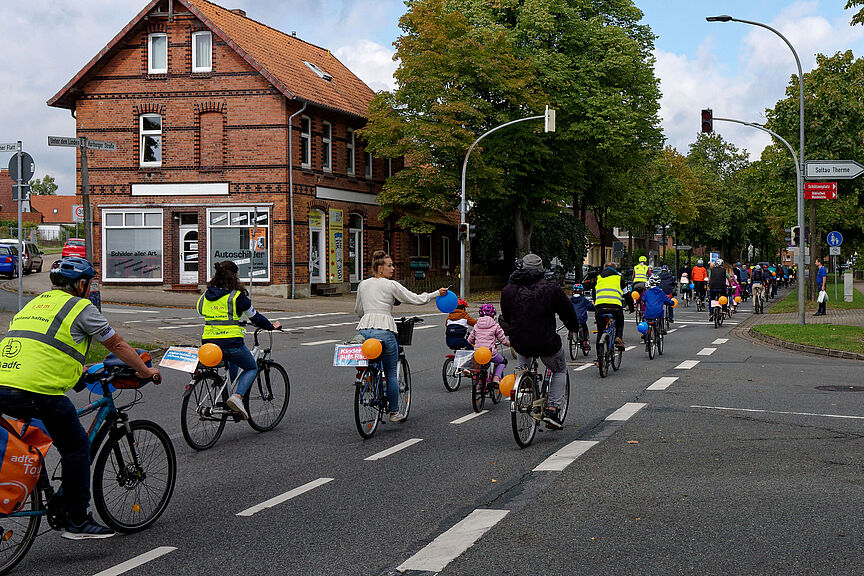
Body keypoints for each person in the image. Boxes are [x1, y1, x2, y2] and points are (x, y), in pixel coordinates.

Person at [0, 257, 159, 539]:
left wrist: (78, 373)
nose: (92, 288)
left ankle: (41, 487)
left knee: (33, 439)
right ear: (82, 284)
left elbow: (44, 350)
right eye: (91, 283)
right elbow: (117, 344)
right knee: (76, 447)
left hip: (4, 383)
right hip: (36, 389)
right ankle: (77, 519)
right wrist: (145, 370)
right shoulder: (80, 307)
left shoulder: (34, 304)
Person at [355, 250, 447, 423]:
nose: (393, 269)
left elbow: (358, 310)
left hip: (365, 330)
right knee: (390, 373)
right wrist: (436, 293)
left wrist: (368, 317)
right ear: (380, 268)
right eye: (390, 265)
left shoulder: (363, 285)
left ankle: (369, 378)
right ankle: (394, 412)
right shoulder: (391, 285)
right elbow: (416, 299)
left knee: (370, 361)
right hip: (385, 330)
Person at [500, 254, 582, 430]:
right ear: (540, 270)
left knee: (524, 365)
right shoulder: (551, 288)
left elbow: (507, 316)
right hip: (546, 342)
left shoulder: (508, 290)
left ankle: (525, 387)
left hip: (519, 341)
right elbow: (567, 312)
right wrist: (573, 327)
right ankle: (552, 410)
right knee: (559, 369)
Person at [197, 261, 282, 421]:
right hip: (231, 343)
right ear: (234, 276)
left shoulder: (204, 296)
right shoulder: (236, 296)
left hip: (209, 344)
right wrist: (271, 326)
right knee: (251, 367)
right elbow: (255, 317)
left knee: (232, 363)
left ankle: (228, 398)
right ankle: (237, 396)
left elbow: (202, 311)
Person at [592, 261, 634, 350]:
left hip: (600, 308)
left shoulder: (598, 278)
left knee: (600, 332)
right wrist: (631, 307)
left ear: (604, 269)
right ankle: (618, 337)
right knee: (620, 322)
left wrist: (596, 304)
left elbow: (594, 293)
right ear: (615, 269)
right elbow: (627, 295)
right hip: (615, 308)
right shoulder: (619, 279)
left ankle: (599, 360)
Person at [466, 304, 509, 383]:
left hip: (478, 353)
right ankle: (496, 378)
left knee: (479, 368)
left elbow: (470, 340)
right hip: (490, 353)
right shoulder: (495, 326)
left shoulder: (476, 326)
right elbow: (503, 340)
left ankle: (478, 384)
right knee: (502, 361)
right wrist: (509, 344)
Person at [569, 283, 594, 349]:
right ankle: (585, 342)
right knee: (584, 328)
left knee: (570, 323)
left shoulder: (570, 300)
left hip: (572, 319)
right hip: (581, 319)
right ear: (582, 291)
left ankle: (570, 332)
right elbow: (591, 307)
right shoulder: (583, 300)